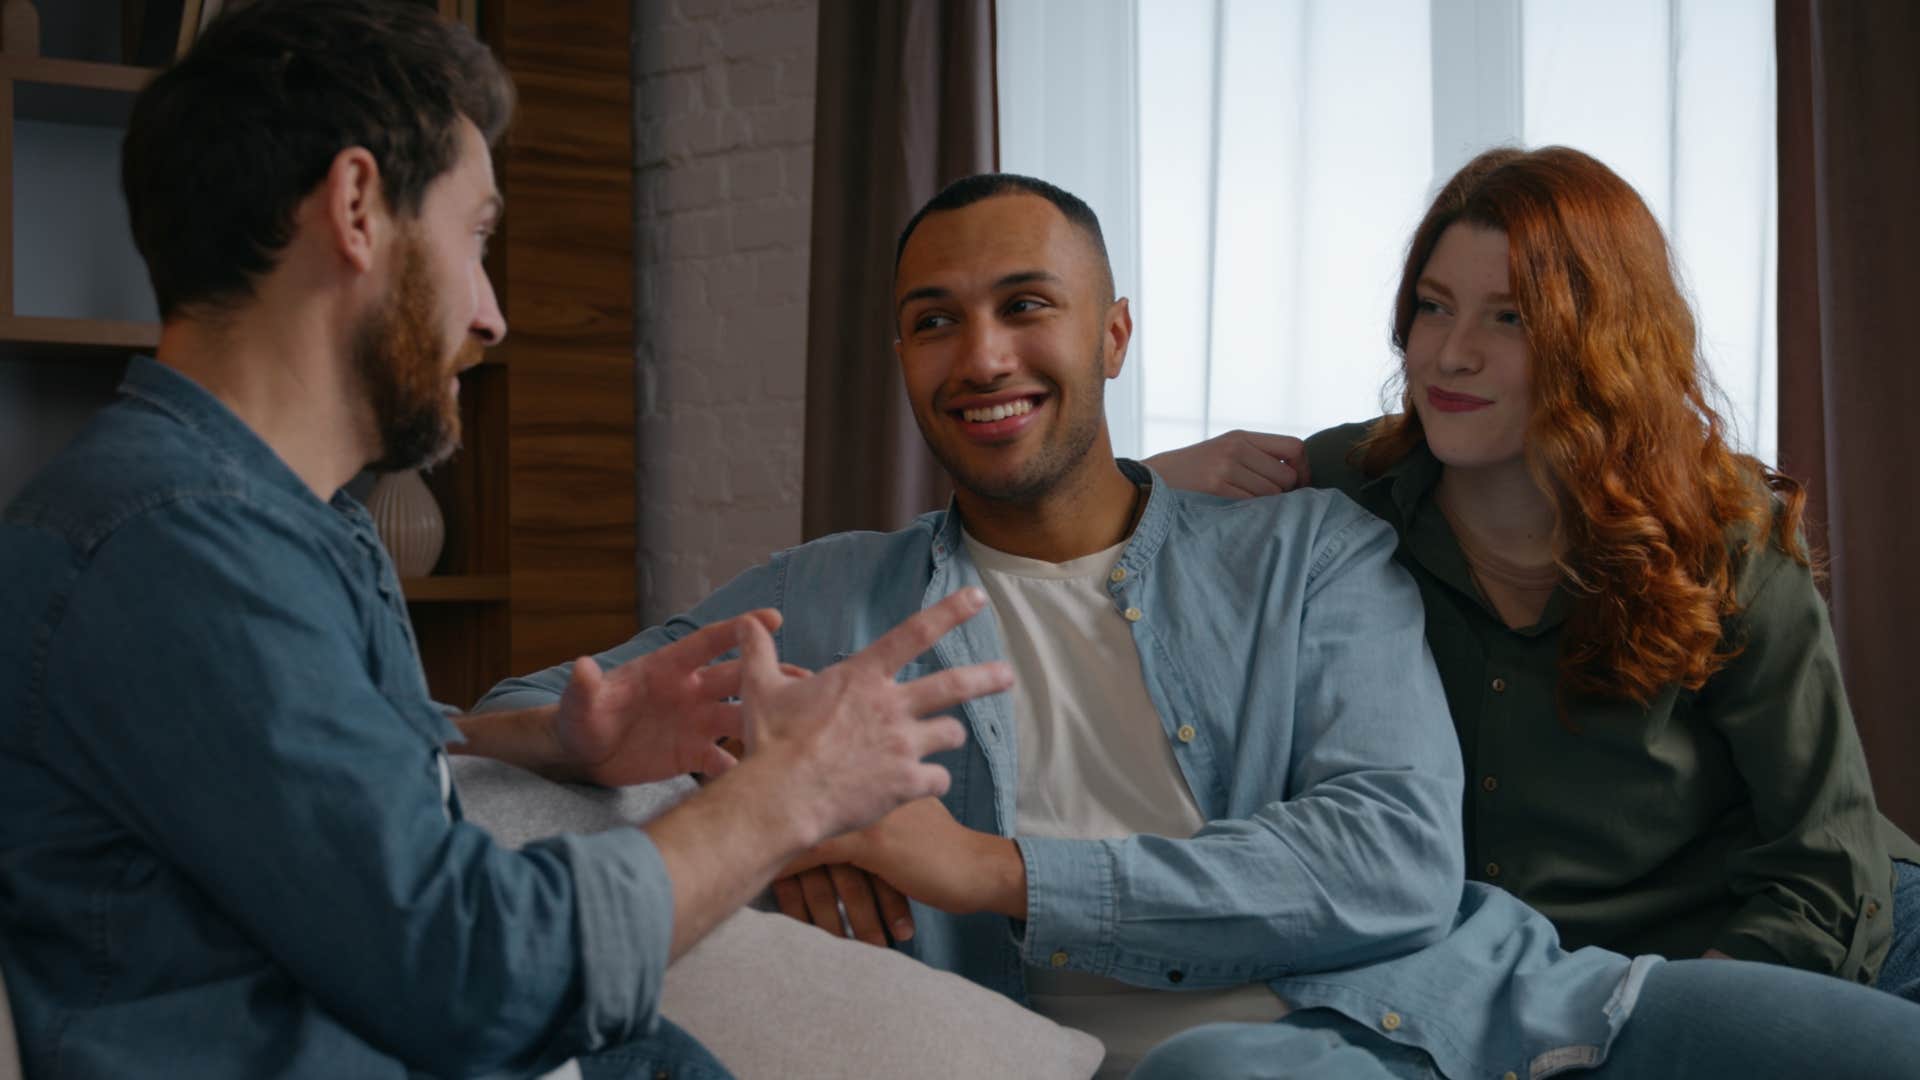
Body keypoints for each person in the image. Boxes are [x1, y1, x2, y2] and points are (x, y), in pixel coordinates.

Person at [479, 172, 1920, 1078]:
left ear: (1113, 337)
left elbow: (1397, 856)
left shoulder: (1305, 546)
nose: (979, 354)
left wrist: (980, 867)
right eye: (932, 320)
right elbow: (514, 716)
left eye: (1024, 307)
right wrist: (686, 777)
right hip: (1257, 1055)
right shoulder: (843, 592)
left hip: (1516, 997)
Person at [0, 3, 1011, 1077]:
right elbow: (468, 970)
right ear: (355, 207)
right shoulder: (175, 548)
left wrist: (552, 744)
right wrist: (793, 790)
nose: (491, 315)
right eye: (475, 236)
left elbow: (296, 776)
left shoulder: (284, 527)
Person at [1147, 145, 1920, 1003]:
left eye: (1509, 318)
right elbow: (1093, 532)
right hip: (1517, 985)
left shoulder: (1723, 534)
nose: (1450, 356)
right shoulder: (1347, 490)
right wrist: (1150, 485)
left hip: (1777, 941)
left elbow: (1824, 865)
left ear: (1604, 342)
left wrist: (1678, 1023)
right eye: (1434, 308)